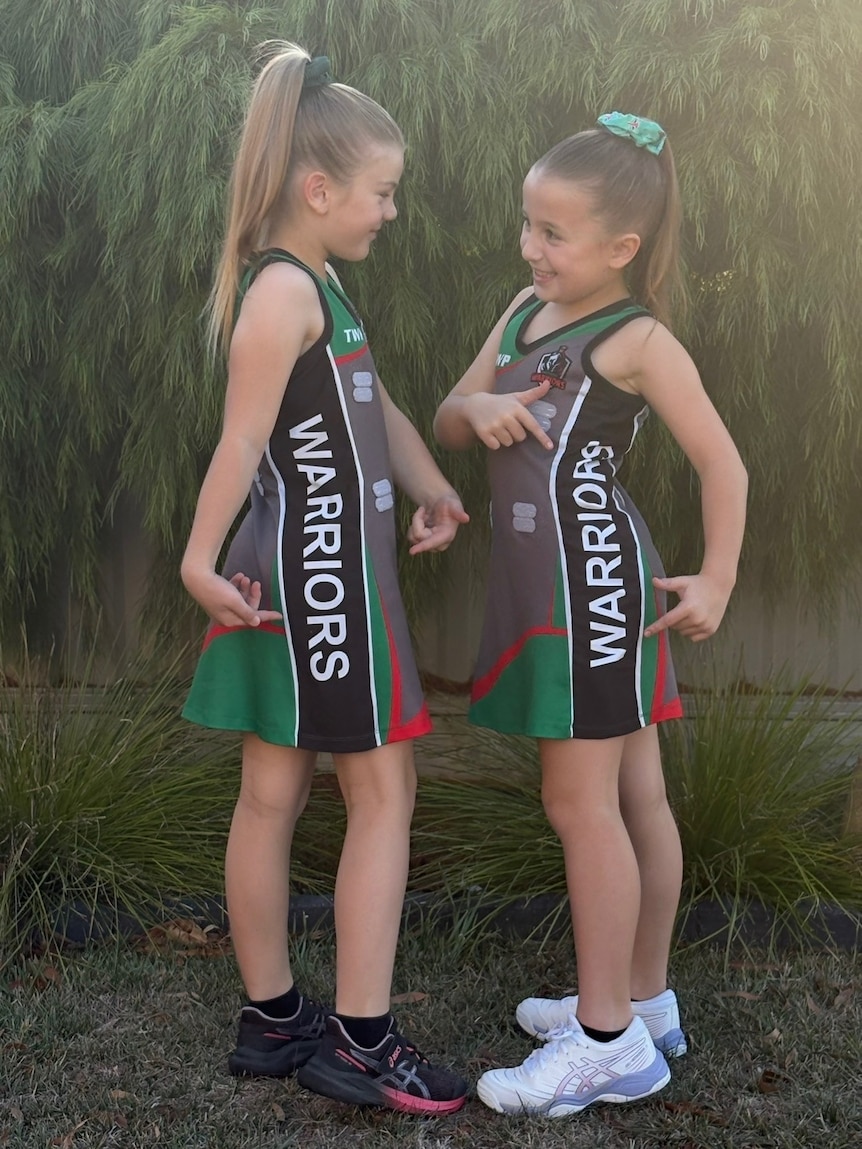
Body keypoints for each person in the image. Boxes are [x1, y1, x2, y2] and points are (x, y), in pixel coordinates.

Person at [434, 112, 747, 1118]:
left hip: (595, 591)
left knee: (586, 807)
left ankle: (606, 1039)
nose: (531, 247)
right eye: (528, 223)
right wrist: (475, 411)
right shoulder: (525, 309)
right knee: (632, 795)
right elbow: (451, 411)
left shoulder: (637, 338)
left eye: (554, 233)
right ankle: (643, 1001)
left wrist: (716, 580)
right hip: (546, 589)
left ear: (622, 248)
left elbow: (721, 462)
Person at [180, 43, 469, 1116]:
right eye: (381, 193)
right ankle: (358, 1039)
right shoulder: (282, 297)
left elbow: (371, 406)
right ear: (318, 191)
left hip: (315, 584)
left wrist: (432, 484)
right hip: (323, 587)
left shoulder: (318, 285)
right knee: (378, 790)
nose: (391, 211)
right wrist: (194, 560)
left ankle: (272, 1023)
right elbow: (237, 441)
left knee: (275, 792)